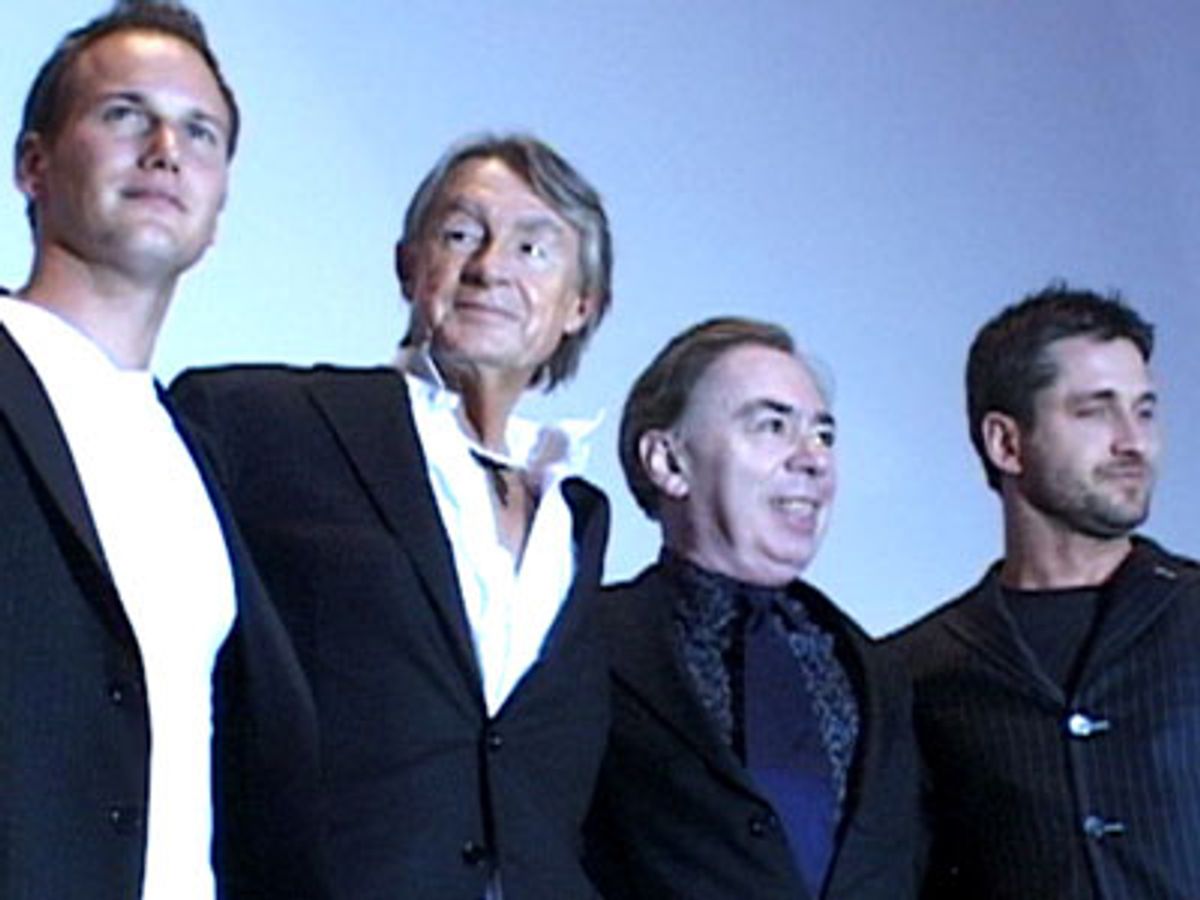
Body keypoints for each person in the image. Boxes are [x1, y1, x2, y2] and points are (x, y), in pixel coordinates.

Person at [171, 133, 614, 899]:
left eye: (533, 248)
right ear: (409, 265)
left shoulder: (577, 518)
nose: (490, 267)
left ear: (582, 305)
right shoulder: (258, 422)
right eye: (461, 233)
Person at [0, 2, 321, 899]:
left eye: (199, 133)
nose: (166, 150)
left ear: (218, 210)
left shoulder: (197, 460)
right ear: (34, 164)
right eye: (124, 114)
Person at [584, 317, 919, 900]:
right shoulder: (584, 647)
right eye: (772, 426)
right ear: (668, 462)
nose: (813, 459)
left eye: (824, 435)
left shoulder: (880, 671)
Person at [891, 284, 1200, 898]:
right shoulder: (911, 673)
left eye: (1144, 411)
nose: (1133, 442)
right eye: (1095, 411)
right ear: (1006, 443)